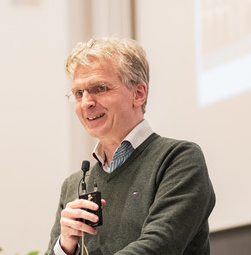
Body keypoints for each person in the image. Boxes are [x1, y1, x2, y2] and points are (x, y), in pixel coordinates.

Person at [45, 37, 215, 255]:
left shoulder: (179, 160)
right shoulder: (74, 185)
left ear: (138, 94)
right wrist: (66, 247)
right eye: (79, 93)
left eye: (99, 88)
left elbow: (159, 246)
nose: (86, 102)